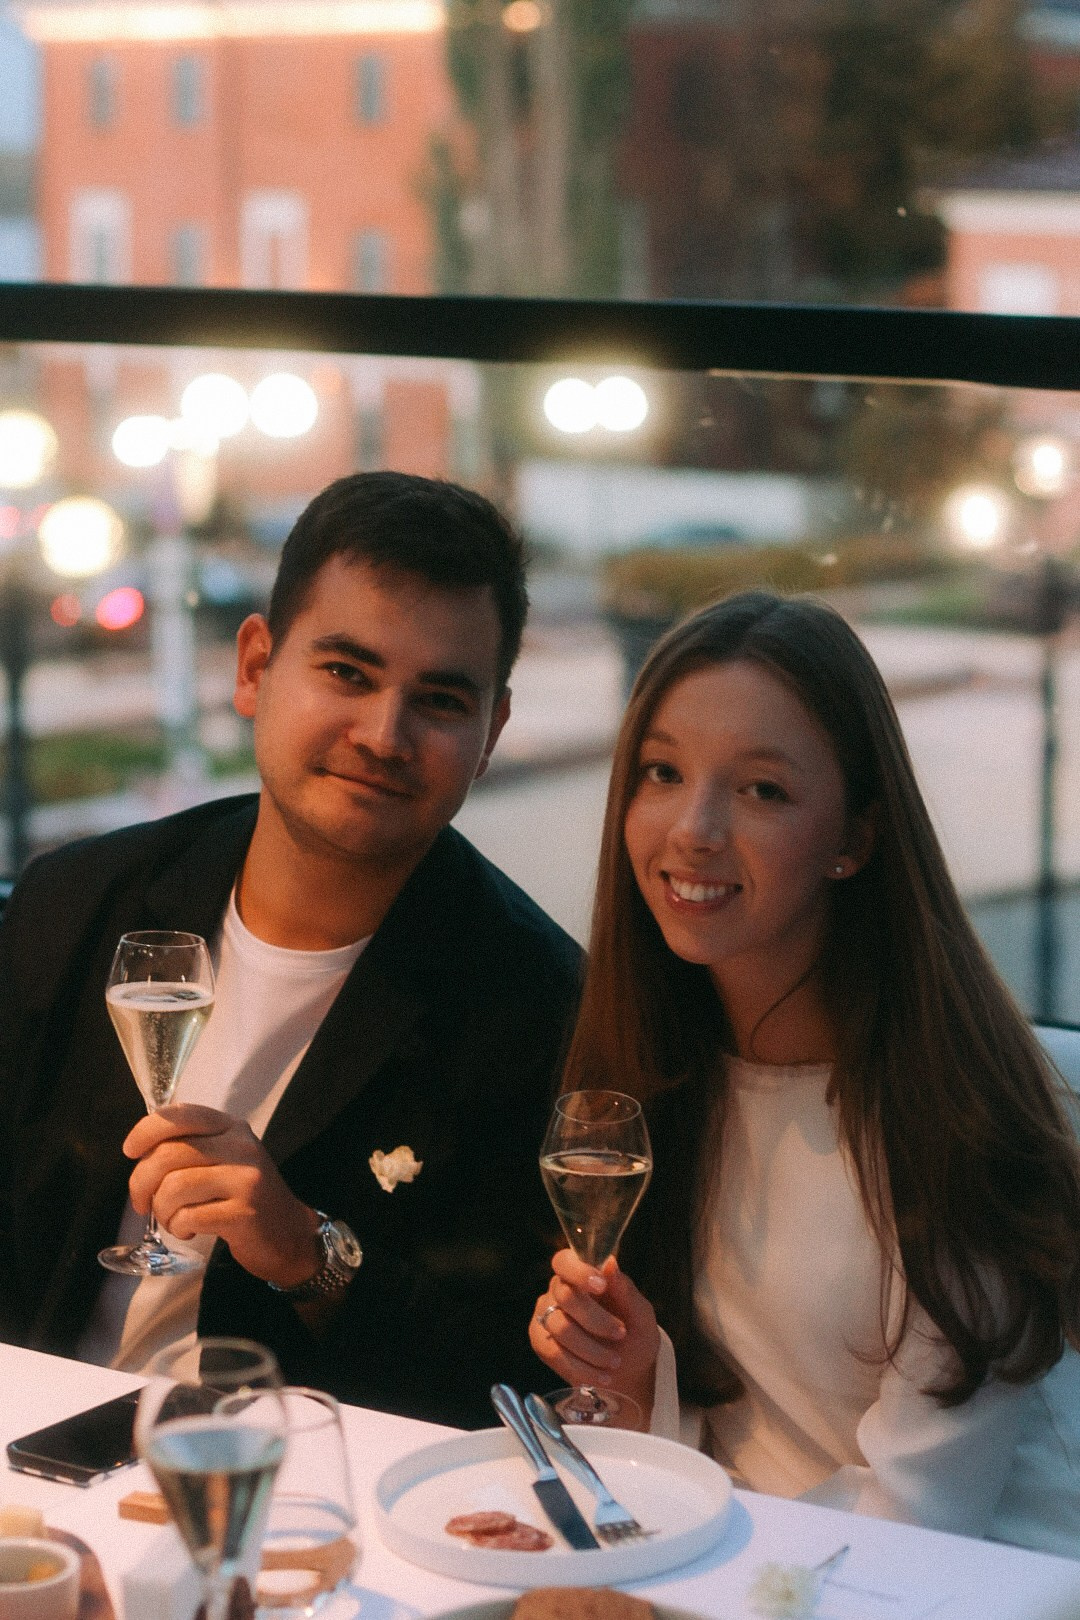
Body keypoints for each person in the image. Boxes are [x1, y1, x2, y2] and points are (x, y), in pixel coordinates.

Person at [0, 470, 581, 1429]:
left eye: (439, 700)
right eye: (347, 673)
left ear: (491, 734)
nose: (384, 735)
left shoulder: (530, 1005)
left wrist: (312, 1254)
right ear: (255, 667)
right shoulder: (78, 905)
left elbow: (505, 1385)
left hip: (302, 1480)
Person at [529, 589, 1080, 1556]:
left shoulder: (953, 1116)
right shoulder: (657, 1076)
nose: (694, 828)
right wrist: (635, 1387)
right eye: (663, 772)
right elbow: (728, 1455)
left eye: (762, 791)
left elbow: (921, 1522)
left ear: (854, 840)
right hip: (755, 1570)